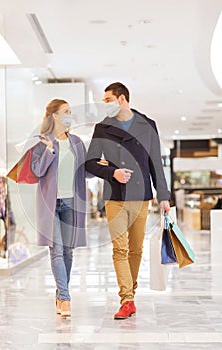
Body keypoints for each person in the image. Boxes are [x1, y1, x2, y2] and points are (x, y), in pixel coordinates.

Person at [85, 82, 170, 319]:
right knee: (119, 249)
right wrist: (112, 172)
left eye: (108, 100)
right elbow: (90, 162)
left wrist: (163, 196)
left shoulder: (148, 125)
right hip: (115, 196)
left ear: (122, 99)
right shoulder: (102, 128)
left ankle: (130, 294)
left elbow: (156, 165)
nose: (105, 105)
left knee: (136, 250)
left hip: (142, 197)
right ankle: (127, 299)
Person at [31, 99, 88, 318]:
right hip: (50, 204)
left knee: (68, 252)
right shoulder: (43, 142)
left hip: (72, 203)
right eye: (66, 111)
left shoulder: (76, 142)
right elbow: (37, 171)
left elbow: (84, 171)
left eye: (70, 111)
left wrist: (101, 166)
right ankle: (65, 298)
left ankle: (60, 293)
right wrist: (47, 151)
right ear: (54, 116)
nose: (69, 115)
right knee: (56, 250)